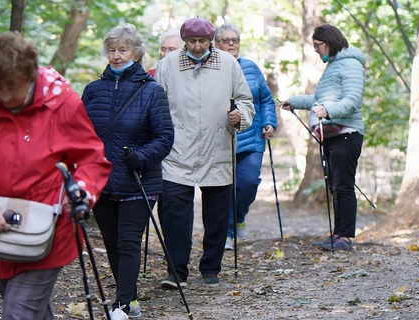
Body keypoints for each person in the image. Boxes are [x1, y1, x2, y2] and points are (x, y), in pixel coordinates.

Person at [0, 31, 112, 319]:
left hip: (49, 229)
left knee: (18, 312)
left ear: (31, 75)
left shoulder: (62, 103)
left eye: (13, 87)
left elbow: (92, 160)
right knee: (29, 310)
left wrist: (82, 191)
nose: (5, 96)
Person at [81, 23, 174, 320]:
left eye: (123, 50)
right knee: (111, 243)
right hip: (102, 181)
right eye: (112, 50)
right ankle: (130, 299)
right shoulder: (93, 90)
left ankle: (121, 306)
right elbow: (79, 133)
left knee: (128, 241)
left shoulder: (152, 91)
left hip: (139, 181)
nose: (116, 56)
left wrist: (142, 156)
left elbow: (165, 136)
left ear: (136, 53)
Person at [155, 16, 255, 287]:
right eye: (191, 41)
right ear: (184, 40)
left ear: (211, 40)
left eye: (202, 41)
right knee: (174, 213)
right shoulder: (167, 65)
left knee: (217, 213)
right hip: (177, 150)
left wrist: (239, 116)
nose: (197, 46)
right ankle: (176, 271)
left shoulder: (228, 63)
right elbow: (157, 103)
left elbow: (246, 101)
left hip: (217, 145)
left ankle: (211, 267)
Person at [280, 24, 366, 252]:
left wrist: (328, 111)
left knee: (344, 186)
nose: (316, 51)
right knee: (335, 186)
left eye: (318, 45)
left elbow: (353, 100)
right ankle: (338, 234)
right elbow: (319, 99)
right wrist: (294, 102)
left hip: (347, 133)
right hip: (332, 135)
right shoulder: (334, 66)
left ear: (329, 40)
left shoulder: (350, 65)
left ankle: (345, 238)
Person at [214, 24, 277, 250]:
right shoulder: (212, 69)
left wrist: (269, 122)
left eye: (235, 40)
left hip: (252, 138)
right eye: (226, 40)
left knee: (248, 183)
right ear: (216, 44)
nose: (231, 44)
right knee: (224, 189)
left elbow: (266, 100)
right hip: (221, 139)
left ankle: (239, 217)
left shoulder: (251, 68)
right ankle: (228, 233)